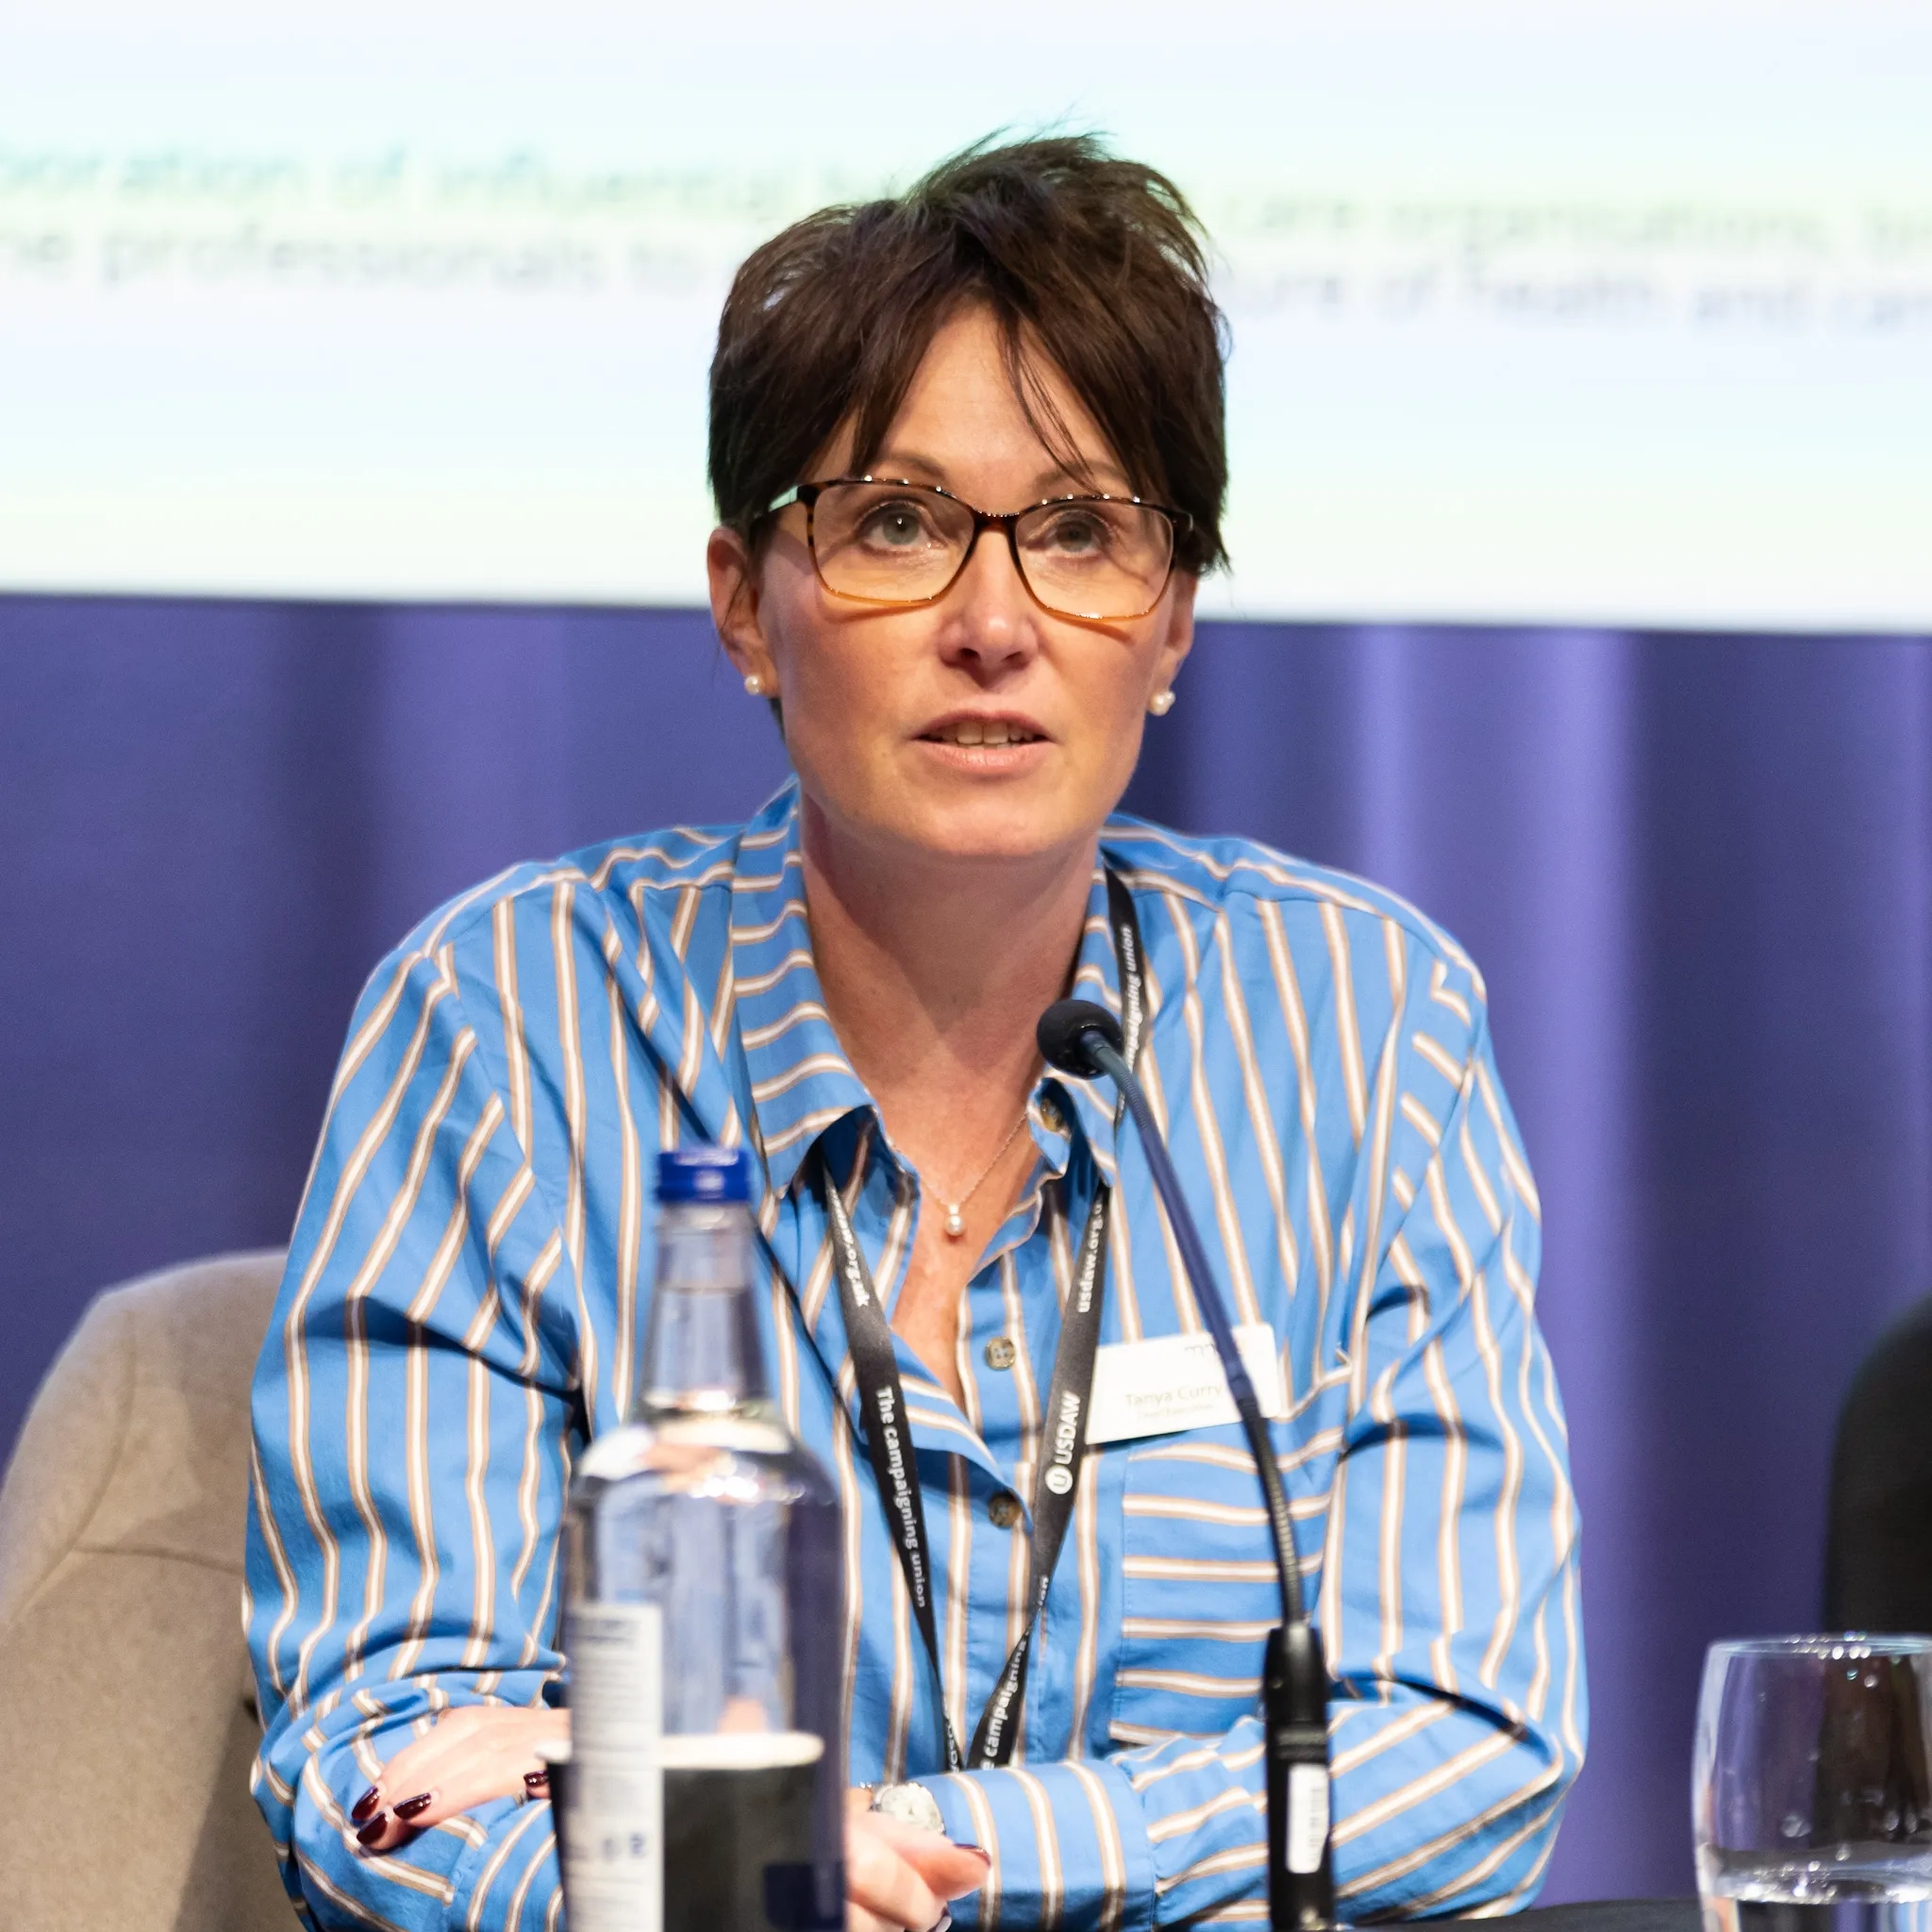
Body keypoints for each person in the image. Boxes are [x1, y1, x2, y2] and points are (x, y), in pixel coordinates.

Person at [247, 135, 1585, 1932]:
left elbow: (1469, 1750)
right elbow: (384, 1752)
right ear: (745, 604)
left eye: (1084, 532)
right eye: (895, 522)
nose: (992, 624)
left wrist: (815, 1845)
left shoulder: (1364, 1023)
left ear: (1172, 619)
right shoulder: (503, 1030)